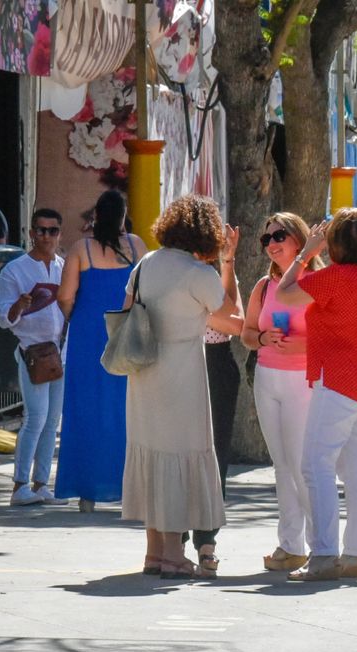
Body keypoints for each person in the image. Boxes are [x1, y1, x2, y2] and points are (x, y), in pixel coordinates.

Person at [120, 195, 236, 578]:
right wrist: (228, 263)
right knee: (179, 453)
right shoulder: (197, 273)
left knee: (152, 453)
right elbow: (228, 314)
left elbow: (127, 307)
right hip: (182, 371)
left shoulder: (146, 263)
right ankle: (172, 554)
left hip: (144, 371)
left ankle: (154, 552)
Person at [273, 208, 357, 583]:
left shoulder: (333, 277)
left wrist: (306, 252)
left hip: (334, 381)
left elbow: (285, 294)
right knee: (355, 470)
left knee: (315, 465)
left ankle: (324, 553)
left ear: (335, 244)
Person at [240, 212, 321, 572]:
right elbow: (245, 333)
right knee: (281, 465)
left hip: (304, 381)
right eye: (266, 239)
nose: (271, 244)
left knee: (303, 465)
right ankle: (291, 544)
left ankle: (323, 545)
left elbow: (333, 335)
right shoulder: (263, 286)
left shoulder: (317, 281)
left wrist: (302, 348)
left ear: (299, 240)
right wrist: (261, 338)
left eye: (279, 237)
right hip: (268, 377)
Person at [55, 189, 145, 510]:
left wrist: (76, 319)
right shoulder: (137, 246)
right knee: (126, 411)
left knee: (84, 411)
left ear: (96, 216)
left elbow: (65, 296)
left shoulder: (81, 249)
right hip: (124, 334)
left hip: (88, 335)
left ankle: (87, 493)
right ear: (123, 215)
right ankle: (130, 487)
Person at [0, 209, 65, 506]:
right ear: (31, 233)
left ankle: (40, 484)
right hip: (32, 351)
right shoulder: (15, 270)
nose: (46, 236)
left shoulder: (64, 267)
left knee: (51, 421)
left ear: (59, 234)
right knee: (35, 417)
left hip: (61, 351)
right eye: (41, 230)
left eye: (52, 231)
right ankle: (20, 485)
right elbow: (3, 318)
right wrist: (19, 307)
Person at [189, 228, 245, 575]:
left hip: (218, 360)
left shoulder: (212, 274)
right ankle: (175, 539)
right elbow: (231, 320)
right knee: (182, 454)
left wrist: (228, 263)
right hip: (187, 362)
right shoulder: (175, 276)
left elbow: (235, 317)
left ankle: (207, 542)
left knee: (216, 456)